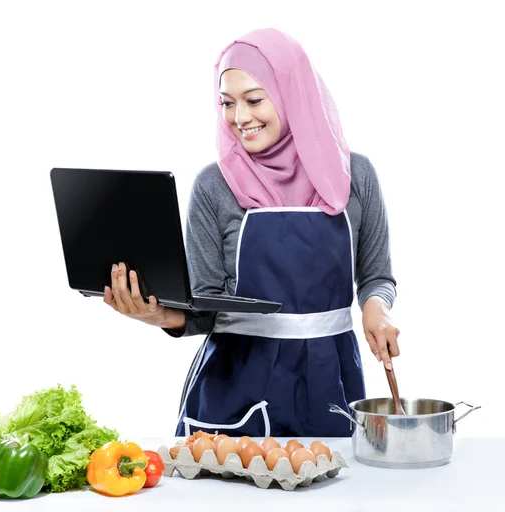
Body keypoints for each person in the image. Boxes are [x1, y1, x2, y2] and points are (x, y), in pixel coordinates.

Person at [103, 28, 400, 438]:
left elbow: (377, 278)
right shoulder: (214, 185)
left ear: (292, 93)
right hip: (234, 386)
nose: (240, 118)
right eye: (227, 103)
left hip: (329, 377)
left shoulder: (356, 176)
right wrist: (158, 315)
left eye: (254, 99)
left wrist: (375, 308)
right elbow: (205, 303)